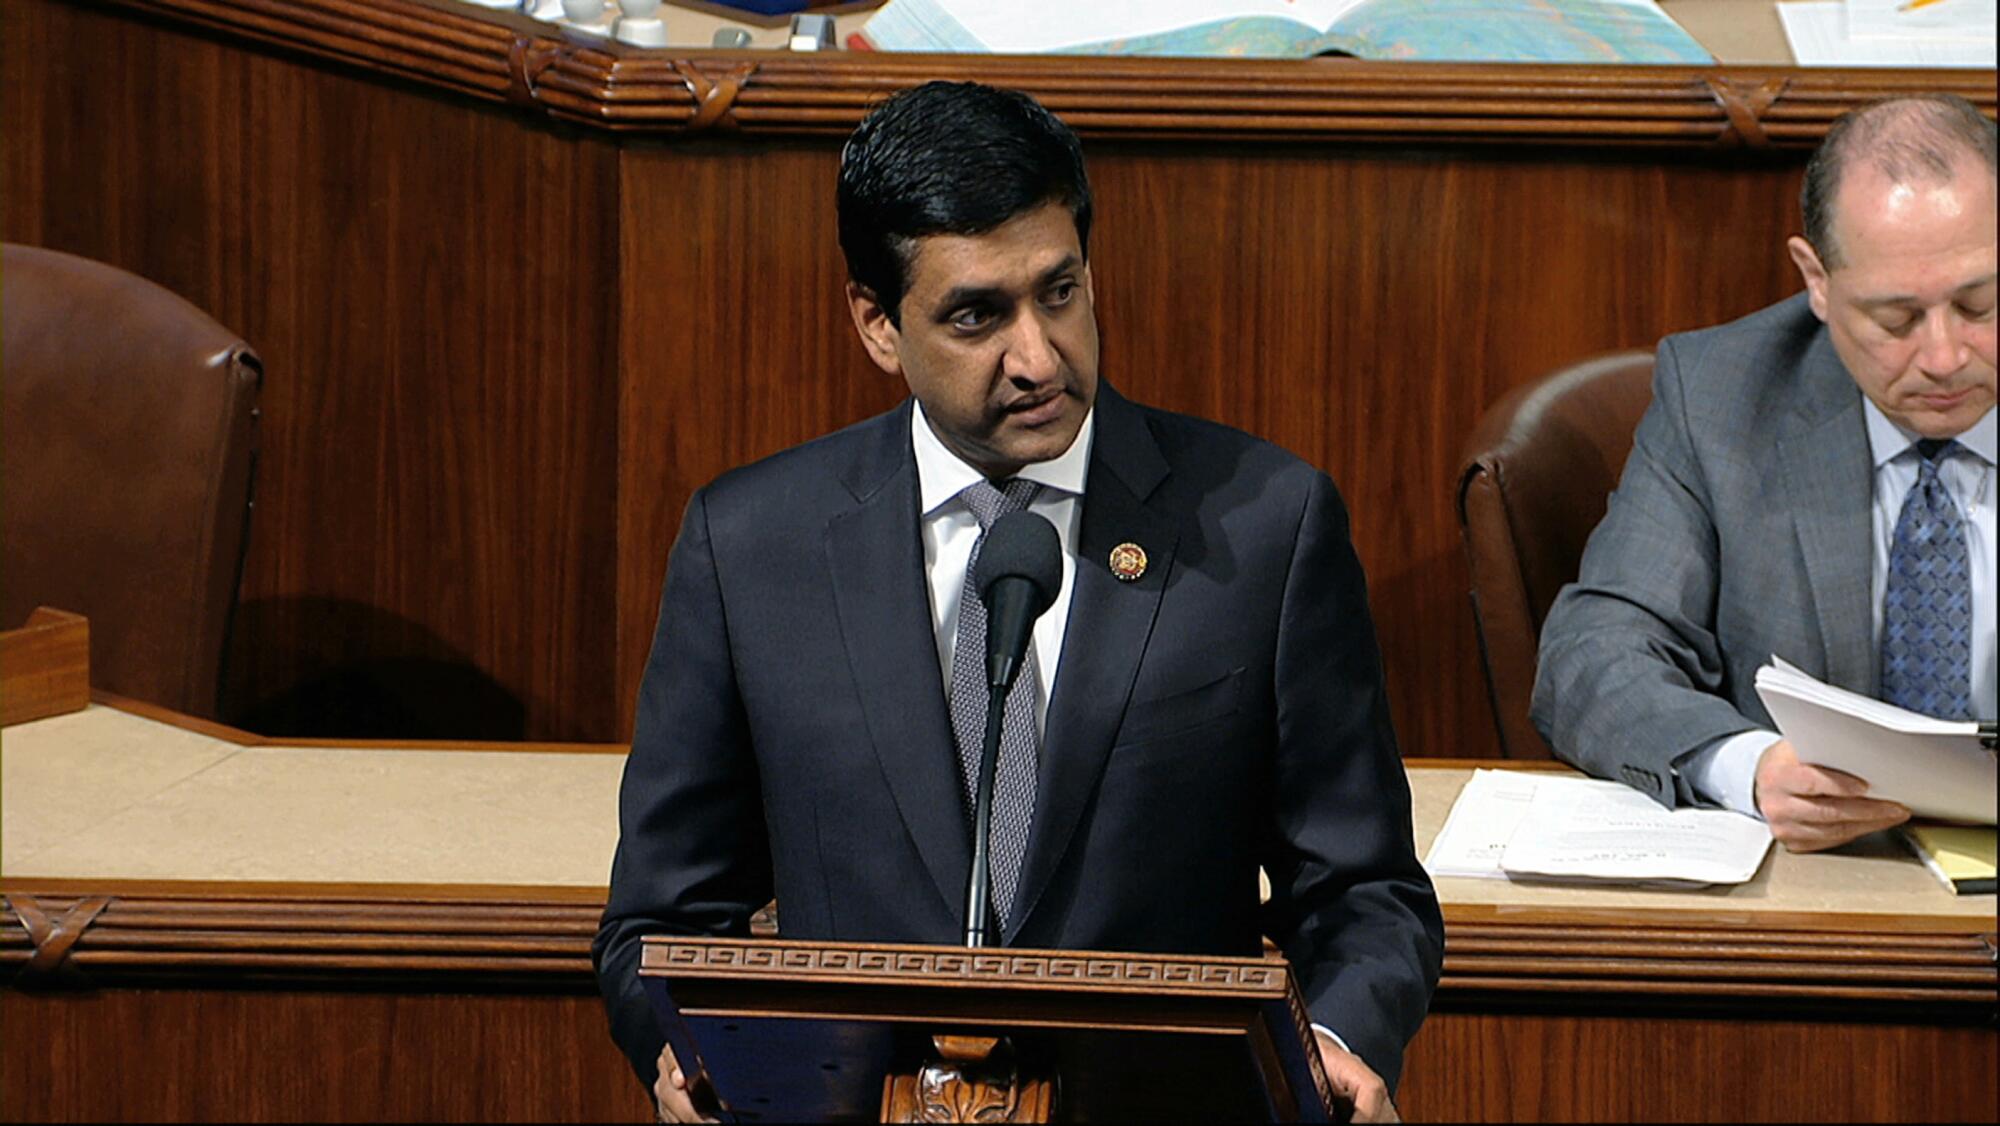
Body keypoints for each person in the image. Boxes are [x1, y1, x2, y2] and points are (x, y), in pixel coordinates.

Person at [593, 81, 1442, 1122]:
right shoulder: (752, 546)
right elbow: (661, 916)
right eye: (975, 314)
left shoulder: (1266, 525)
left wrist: (1338, 1037)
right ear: (876, 322)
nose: (1036, 357)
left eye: (1059, 292)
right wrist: (684, 1053)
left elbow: (1365, 892)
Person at [1533, 94, 1996, 854]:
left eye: (1980, 304)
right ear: (1817, 280)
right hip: (1822, 886)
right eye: (1895, 319)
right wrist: (1747, 768)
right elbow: (1595, 652)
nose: (1945, 356)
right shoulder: (1721, 399)